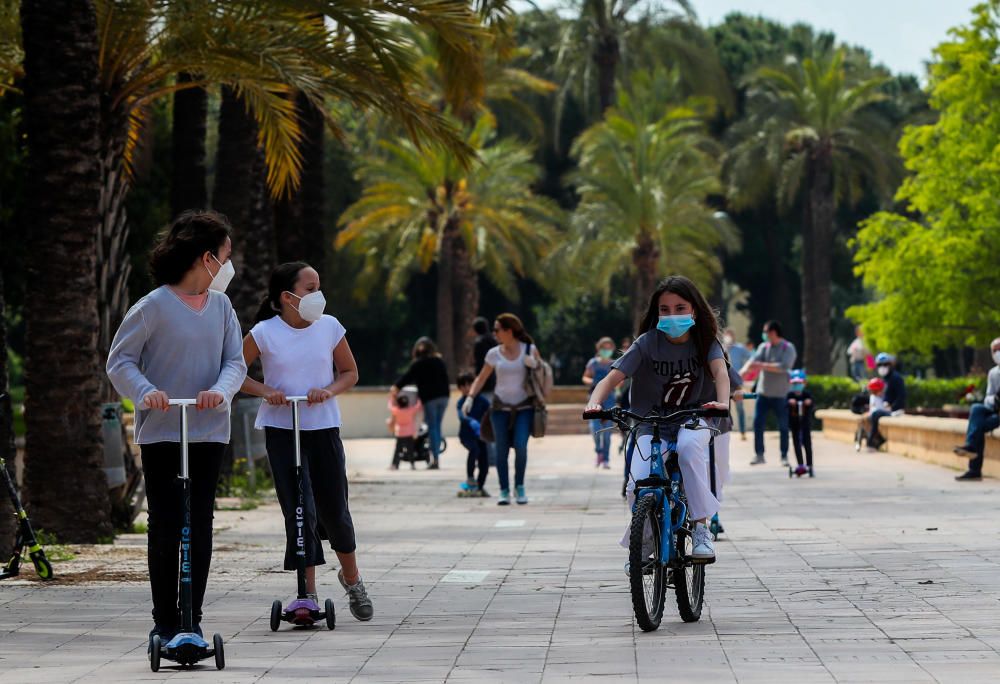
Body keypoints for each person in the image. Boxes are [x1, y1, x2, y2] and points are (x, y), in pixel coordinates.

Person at [106, 210, 247, 651]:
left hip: (207, 431)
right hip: (164, 431)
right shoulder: (152, 306)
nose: (228, 265)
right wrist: (145, 392)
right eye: (225, 256)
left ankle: (193, 618)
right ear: (206, 258)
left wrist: (219, 393)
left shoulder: (222, 307)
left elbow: (235, 363)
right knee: (166, 524)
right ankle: (164, 621)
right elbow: (120, 360)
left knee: (199, 523)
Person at [240, 261, 373, 622]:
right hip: (283, 432)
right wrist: (265, 391)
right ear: (287, 297)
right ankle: (307, 593)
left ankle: (352, 578)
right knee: (301, 510)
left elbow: (350, 372)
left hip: (323, 428)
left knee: (335, 510)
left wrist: (327, 391)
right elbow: (234, 372)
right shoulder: (264, 332)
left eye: (319, 286)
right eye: (310, 288)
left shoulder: (329, 327)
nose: (318, 295)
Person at [586, 275, 730, 562]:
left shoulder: (705, 342)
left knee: (690, 450)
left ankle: (701, 530)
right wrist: (594, 402)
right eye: (664, 309)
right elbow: (613, 377)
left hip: (694, 418)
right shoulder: (646, 343)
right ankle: (647, 537)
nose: (672, 315)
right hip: (650, 425)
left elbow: (721, 374)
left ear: (694, 310)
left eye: (680, 308)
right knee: (636, 484)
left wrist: (722, 403)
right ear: (656, 313)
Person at [465, 313, 543, 506]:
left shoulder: (529, 349)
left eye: (497, 329)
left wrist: (535, 364)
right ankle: (504, 490)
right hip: (499, 408)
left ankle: (520, 487)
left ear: (509, 331)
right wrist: (470, 397)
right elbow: (481, 377)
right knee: (501, 451)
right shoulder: (494, 353)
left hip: (524, 407)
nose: (494, 333)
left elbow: (544, 373)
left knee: (521, 447)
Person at [741, 321, 797, 466]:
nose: (764, 335)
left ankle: (784, 456)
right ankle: (759, 455)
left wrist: (762, 366)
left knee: (783, 426)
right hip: (763, 393)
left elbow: (784, 367)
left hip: (781, 394)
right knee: (758, 424)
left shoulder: (788, 348)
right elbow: (753, 361)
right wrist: (742, 373)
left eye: (766, 332)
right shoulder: (763, 347)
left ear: (774, 332)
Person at [391, 338, 450, 469]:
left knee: (433, 427)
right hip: (444, 397)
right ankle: (435, 455)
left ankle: (435, 459)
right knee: (437, 427)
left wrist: (395, 388)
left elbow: (407, 377)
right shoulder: (439, 361)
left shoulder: (418, 364)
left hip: (430, 398)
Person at [953, 338, 1000, 481]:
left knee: (977, 426)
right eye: (995, 350)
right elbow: (988, 397)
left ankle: (974, 468)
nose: (998, 353)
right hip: (995, 409)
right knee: (976, 408)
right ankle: (971, 449)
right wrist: (995, 400)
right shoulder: (993, 373)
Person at [583, 337, 617, 469]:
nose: (606, 350)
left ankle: (606, 459)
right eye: (604, 348)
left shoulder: (614, 363)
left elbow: (619, 381)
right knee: (595, 429)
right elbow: (585, 376)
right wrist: (592, 382)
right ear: (599, 348)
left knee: (607, 432)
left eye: (609, 348)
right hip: (594, 399)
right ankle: (599, 452)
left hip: (609, 399)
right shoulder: (593, 363)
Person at [456, 371, 491, 497]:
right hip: (467, 435)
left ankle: (479, 487)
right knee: (474, 450)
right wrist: (471, 421)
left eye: (469, 385)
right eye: (463, 386)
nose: (466, 388)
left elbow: (491, 411)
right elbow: (461, 415)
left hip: (481, 435)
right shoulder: (461, 402)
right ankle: (470, 477)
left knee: (484, 463)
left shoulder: (482, 400)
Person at [471, 317, 498, 466]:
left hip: (483, 387)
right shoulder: (494, 342)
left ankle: (488, 457)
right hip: (495, 386)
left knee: (483, 423)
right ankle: (494, 456)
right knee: (494, 423)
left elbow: (479, 368)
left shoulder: (479, 342)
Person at [868, 352, 906, 450]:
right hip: (885, 408)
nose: (882, 367)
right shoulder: (884, 379)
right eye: (880, 365)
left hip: (895, 410)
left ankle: (870, 441)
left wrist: (892, 407)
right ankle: (879, 439)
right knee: (869, 416)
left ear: (890, 365)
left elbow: (901, 396)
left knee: (875, 414)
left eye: (885, 364)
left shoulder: (896, 378)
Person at [724, 330, 752, 441]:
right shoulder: (720, 347)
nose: (728, 337)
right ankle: (725, 431)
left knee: (740, 409)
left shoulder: (740, 348)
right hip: (724, 383)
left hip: (737, 383)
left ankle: (742, 432)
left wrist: (745, 372)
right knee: (724, 409)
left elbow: (751, 358)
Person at [786, 370, 814, 476]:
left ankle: (810, 465)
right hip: (795, 424)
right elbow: (785, 405)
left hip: (805, 424)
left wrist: (809, 402)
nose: (797, 385)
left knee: (807, 444)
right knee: (796, 444)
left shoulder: (807, 395)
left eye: (799, 383)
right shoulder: (790, 395)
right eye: (794, 384)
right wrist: (789, 402)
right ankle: (800, 464)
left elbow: (812, 404)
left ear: (804, 383)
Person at [388, 393, 422, 470]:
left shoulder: (396, 410)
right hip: (409, 433)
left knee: (397, 450)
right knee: (410, 450)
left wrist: (391, 398)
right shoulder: (410, 410)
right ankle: (412, 464)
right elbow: (418, 406)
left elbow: (390, 407)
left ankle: (394, 465)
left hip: (400, 433)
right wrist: (419, 398)